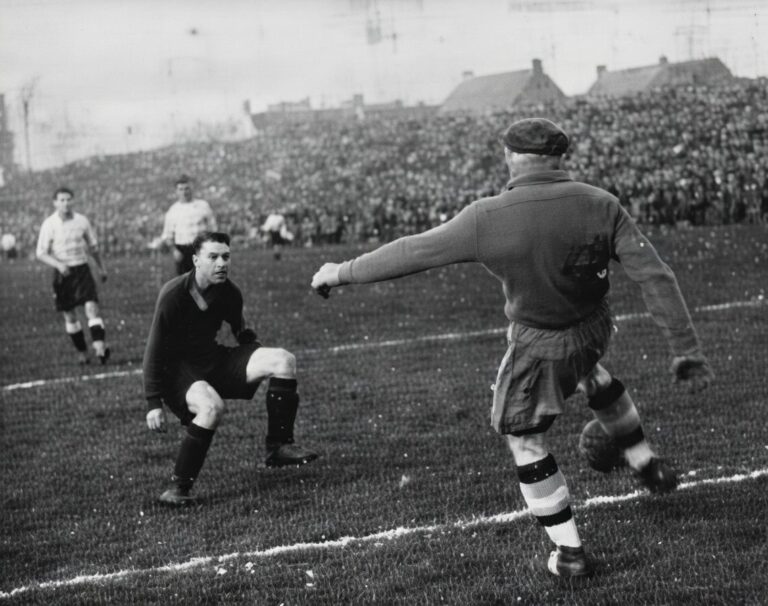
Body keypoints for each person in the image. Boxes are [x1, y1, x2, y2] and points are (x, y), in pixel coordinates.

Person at [311, 118, 714, 579]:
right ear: (559, 158)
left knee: (523, 437)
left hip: (542, 342)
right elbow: (656, 276)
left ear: (510, 156)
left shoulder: (487, 216)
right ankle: (647, 465)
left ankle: (570, 554)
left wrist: (339, 271)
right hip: (594, 326)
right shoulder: (601, 203)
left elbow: (410, 252)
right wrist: (687, 350)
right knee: (593, 375)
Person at [143, 231, 318, 506]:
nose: (221, 263)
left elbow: (242, 330)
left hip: (212, 360)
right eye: (213, 257)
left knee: (283, 360)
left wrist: (253, 352)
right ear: (196, 260)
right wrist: (153, 402)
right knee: (212, 408)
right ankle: (178, 489)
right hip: (176, 371)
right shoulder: (173, 294)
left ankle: (279, 446)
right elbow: (153, 349)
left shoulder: (229, 292)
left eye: (226, 256)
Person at [36, 187, 110, 365]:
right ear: (55, 203)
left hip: (82, 269)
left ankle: (100, 347)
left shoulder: (81, 221)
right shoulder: (49, 224)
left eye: (68, 199)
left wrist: (101, 268)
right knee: (70, 316)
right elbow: (41, 252)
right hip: (63, 273)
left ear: (73, 201)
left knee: (92, 308)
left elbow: (94, 247)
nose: (65, 203)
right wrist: (58, 264)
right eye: (61, 200)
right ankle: (82, 353)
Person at [161, 174, 217, 275]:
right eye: (181, 189)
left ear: (192, 188)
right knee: (185, 283)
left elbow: (213, 229)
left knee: (204, 280)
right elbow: (167, 236)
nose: (184, 192)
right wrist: (174, 251)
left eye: (187, 188)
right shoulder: (173, 211)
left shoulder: (203, 206)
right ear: (176, 191)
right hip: (182, 251)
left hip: (201, 249)